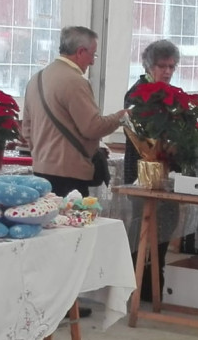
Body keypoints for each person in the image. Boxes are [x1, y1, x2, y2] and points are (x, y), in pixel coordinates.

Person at [22, 25, 127, 198]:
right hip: (69, 175)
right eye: (92, 54)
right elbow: (92, 127)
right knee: (72, 222)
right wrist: (120, 117)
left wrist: (43, 155)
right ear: (80, 52)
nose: (93, 61)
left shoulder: (36, 79)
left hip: (40, 170)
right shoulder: (75, 82)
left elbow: (27, 130)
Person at [124, 40, 181, 302]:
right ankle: (138, 288)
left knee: (165, 227)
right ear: (149, 65)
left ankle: (155, 284)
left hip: (166, 176)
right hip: (141, 174)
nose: (168, 71)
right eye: (162, 66)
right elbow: (144, 135)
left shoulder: (172, 94)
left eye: (171, 66)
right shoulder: (137, 93)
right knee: (141, 231)